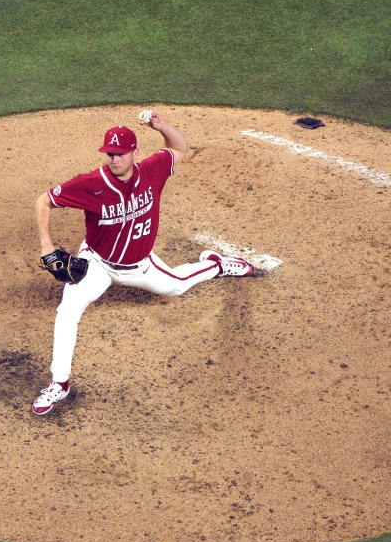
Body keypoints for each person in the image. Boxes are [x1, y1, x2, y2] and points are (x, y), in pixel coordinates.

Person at [31, 111, 254, 415]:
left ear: (135, 153)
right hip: (96, 263)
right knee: (67, 311)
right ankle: (59, 384)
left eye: (121, 154)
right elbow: (44, 200)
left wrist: (162, 127)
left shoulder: (152, 170)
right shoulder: (91, 183)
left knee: (176, 286)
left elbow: (179, 149)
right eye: (110, 153)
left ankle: (216, 265)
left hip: (140, 266)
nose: (114, 159)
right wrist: (47, 246)